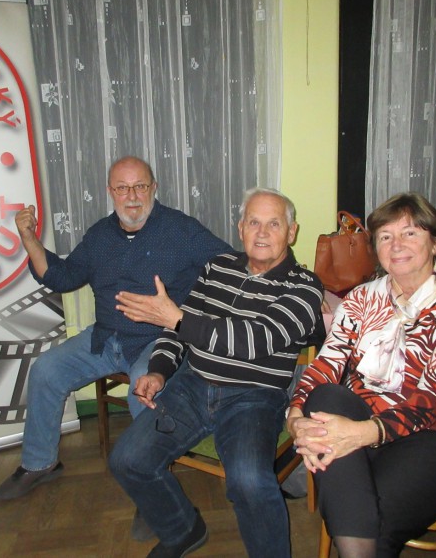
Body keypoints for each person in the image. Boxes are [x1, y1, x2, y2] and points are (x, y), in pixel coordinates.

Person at [0, 156, 231, 508]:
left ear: (153, 188)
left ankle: (152, 487)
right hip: (106, 338)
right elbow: (61, 277)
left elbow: (229, 265)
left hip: (158, 340)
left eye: (140, 186)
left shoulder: (181, 230)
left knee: (143, 386)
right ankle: (39, 463)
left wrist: (287, 282)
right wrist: (28, 237)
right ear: (110, 192)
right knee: (46, 370)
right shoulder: (100, 236)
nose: (132, 196)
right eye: (122, 188)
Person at [109, 188, 325, 558]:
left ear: (292, 232)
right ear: (240, 229)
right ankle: (183, 530)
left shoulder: (305, 286)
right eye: (253, 222)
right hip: (191, 385)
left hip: (254, 397)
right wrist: (159, 371)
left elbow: (255, 340)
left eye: (274, 224)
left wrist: (177, 318)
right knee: (128, 460)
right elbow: (178, 330)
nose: (261, 232)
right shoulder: (217, 267)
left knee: (249, 481)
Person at [288, 192, 436, 558]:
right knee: (325, 397)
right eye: (385, 236)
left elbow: (433, 399)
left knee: (368, 525)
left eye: (410, 233)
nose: (396, 245)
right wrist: (295, 416)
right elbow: (328, 362)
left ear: (435, 243)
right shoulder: (361, 299)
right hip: (365, 419)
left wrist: (361, 434)